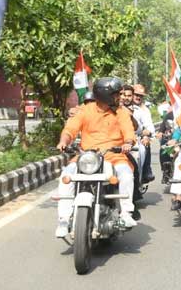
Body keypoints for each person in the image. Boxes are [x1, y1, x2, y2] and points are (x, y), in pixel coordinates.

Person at [54, 77, 137, 238]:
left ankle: (126, 213)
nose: (119, 98)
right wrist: (63, 142)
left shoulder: (121, 112)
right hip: (87, 157)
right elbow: (70, 129)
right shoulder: (85, 110)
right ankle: (63, 219)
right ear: (105, 95)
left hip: (114, 156)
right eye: (116, 94)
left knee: (126, 174)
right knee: (66, 176)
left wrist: (127, 142)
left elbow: (129, 131)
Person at [133, 84, 156, 183]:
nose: (138, 97)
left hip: (137, 138)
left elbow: (149, 128)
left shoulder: (143, 110)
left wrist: (146, 134)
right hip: (121, 139)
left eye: (140, 96)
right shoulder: (119, 107)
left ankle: (145, 171)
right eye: (136, 95)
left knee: (144, 146)